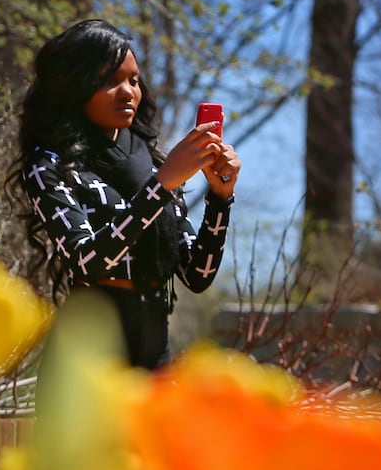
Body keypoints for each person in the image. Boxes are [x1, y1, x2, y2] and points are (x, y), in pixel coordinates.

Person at [13, 18, 241, 369]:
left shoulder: (151, 162)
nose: (128, 91)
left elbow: (197, 274)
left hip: (155, 348)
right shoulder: (49, 165)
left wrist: (220, 198)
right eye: (109, 80)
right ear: (75, 85)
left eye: (134, 80)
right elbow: (88, 260)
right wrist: (161, 185)